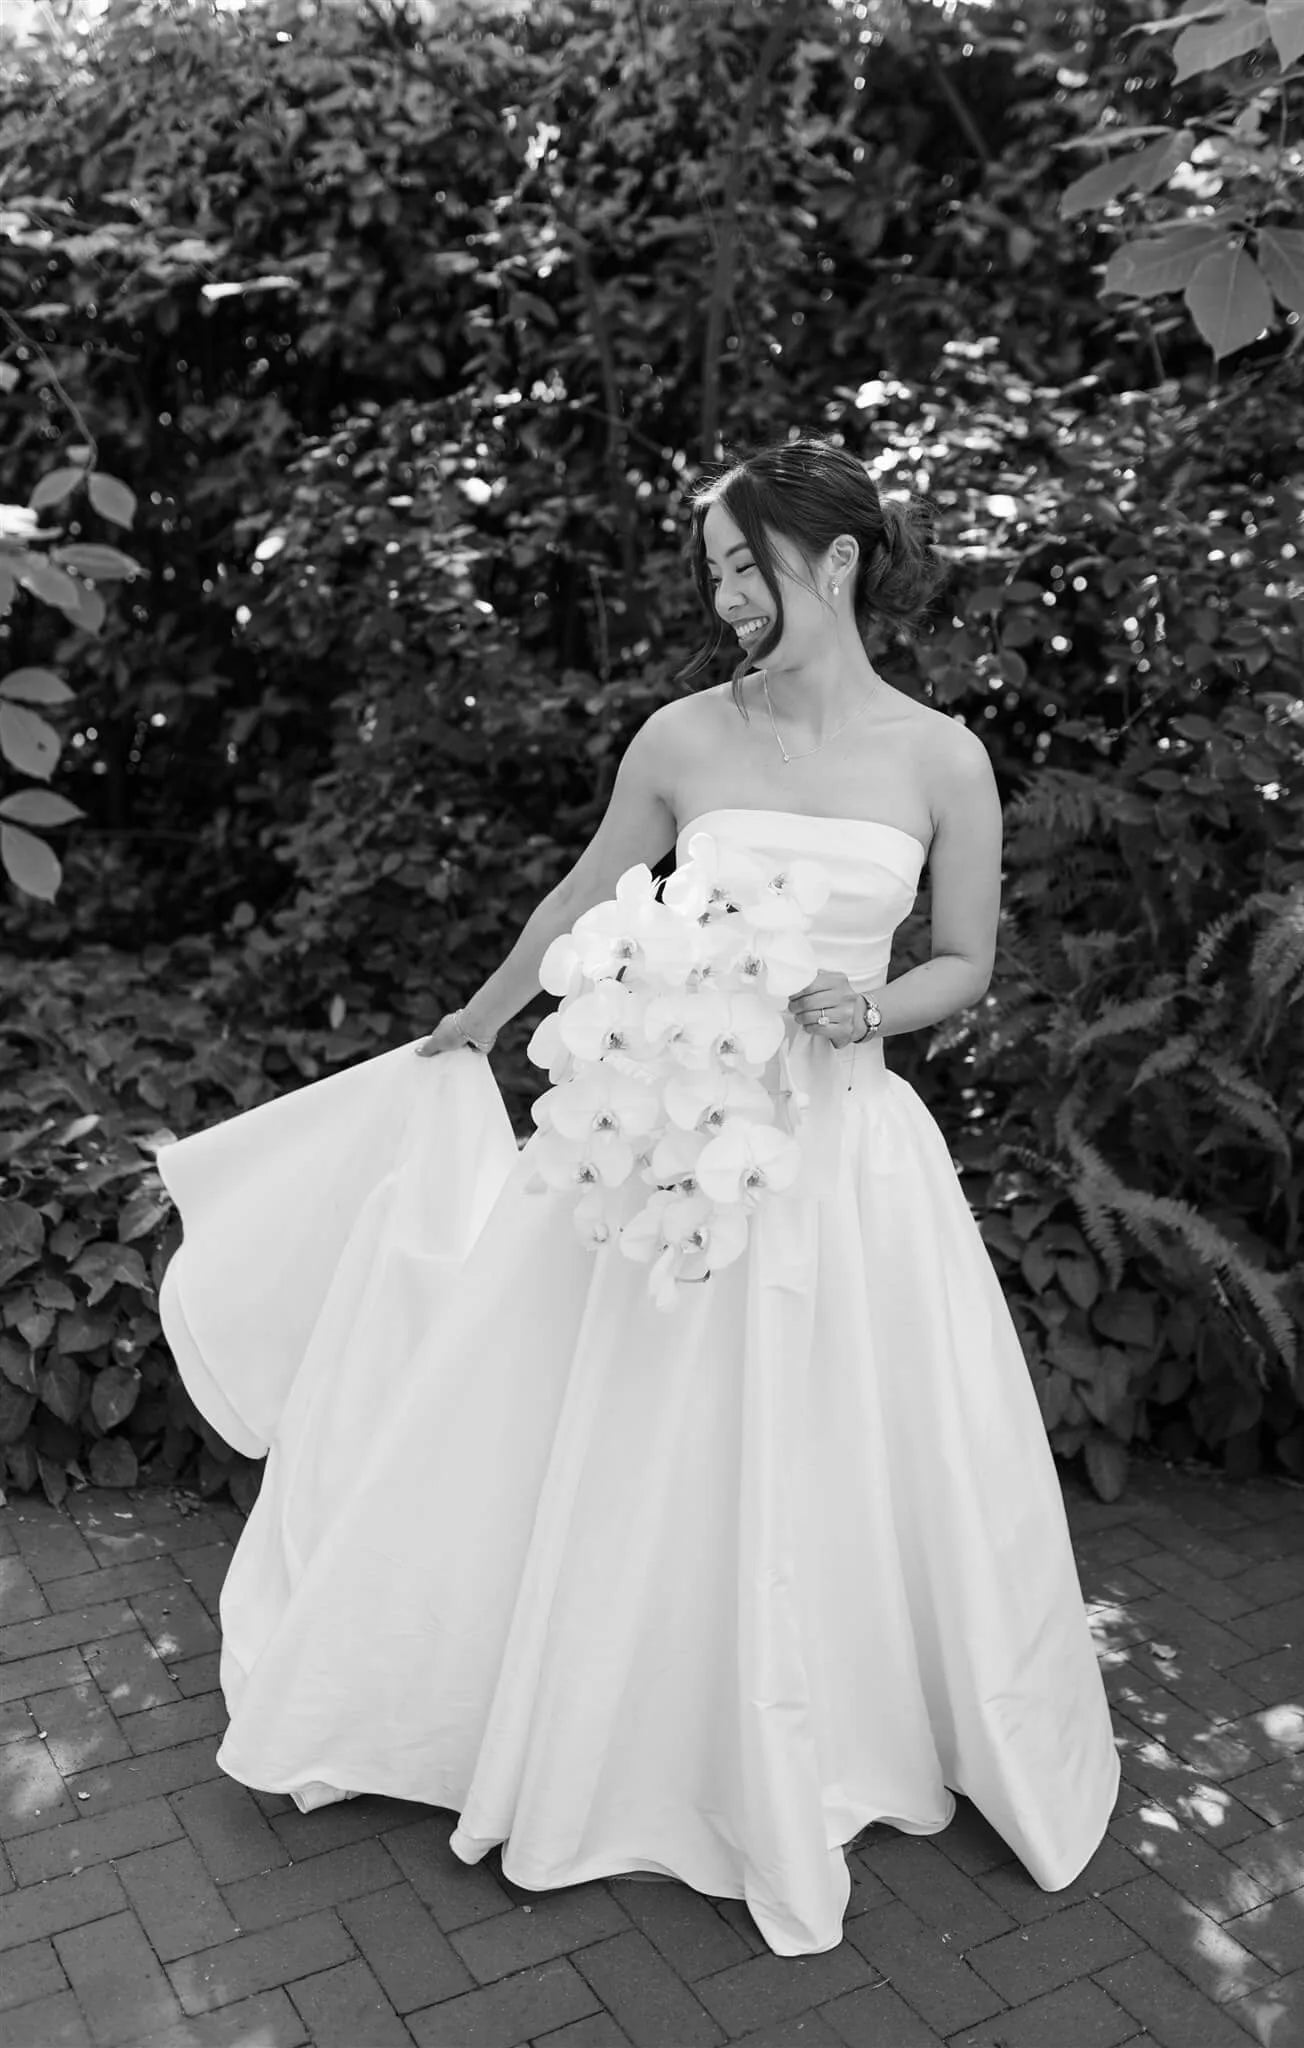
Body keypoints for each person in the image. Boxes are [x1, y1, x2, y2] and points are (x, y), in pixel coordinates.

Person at [156, 437, 1120, 1960]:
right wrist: (479, 1017)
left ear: (837, 561)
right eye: (715, 571)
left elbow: (965, 963)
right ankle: (607, 1723)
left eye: (746, 564)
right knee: (629, 1430)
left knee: (845, 1447)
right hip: (664, 1150)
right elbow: (580, 899)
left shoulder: (942, 756)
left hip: (843, 1157)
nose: (726, 594)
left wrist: (861, 1014)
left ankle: (827, 1725)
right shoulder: (681, 735)